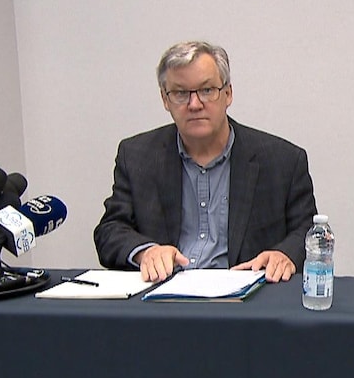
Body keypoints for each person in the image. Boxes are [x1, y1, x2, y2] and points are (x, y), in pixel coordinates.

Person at [94, 41, 317, 283]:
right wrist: (145, 252)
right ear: (165, 100)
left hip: (246, 304)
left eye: (207, 90)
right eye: (180, 93)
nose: (195, 104)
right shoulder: (137, 156)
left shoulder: (282, 160)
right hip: (163, 301)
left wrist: (284, 255)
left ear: (228, 93)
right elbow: (110, 230)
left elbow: (307, 230)